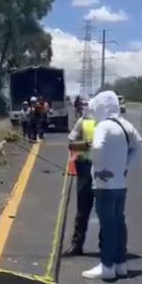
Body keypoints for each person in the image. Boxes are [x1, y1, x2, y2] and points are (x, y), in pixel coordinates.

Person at [81, 90, 142, 281]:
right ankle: (120, 263)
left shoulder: (104, 126)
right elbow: (140, 145)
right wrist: (126, 166)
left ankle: (106, 266)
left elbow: (98, 147)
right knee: (119, 223)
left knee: (107, 225)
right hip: (120, 184)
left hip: (104, 184)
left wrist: (99, 170)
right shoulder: (125, 125)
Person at [62, 108, 96, 257]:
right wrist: (86, 145)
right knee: (82, 209)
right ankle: (77, 244)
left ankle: (109, 247)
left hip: (105, 170)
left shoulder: (113, 124)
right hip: (85, 168)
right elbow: (72, 144)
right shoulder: (85, 122)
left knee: (107, 212)